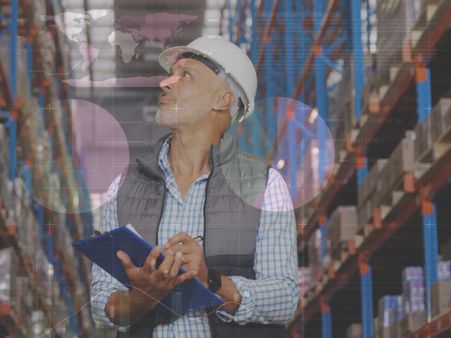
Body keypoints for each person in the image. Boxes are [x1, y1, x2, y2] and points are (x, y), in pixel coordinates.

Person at [91, 35, 298, 338]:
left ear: (222, 100)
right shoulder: (122, 187)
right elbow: (101, 300)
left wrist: (211, 282)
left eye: (185, 75)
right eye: (170, 74)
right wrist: (139, 299)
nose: (166, 83)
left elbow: (285, 298)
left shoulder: (265, 185)